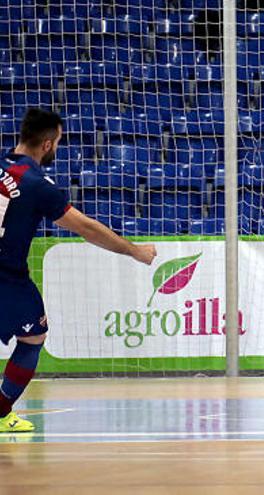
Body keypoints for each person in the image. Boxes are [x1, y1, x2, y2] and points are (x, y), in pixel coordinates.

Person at [0, 108, 157, 432]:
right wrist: (134, 251)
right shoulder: (37, 184)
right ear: (47, 145)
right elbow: (87, 228)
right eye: (57, 141)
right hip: (6, 275)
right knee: (33, 337)